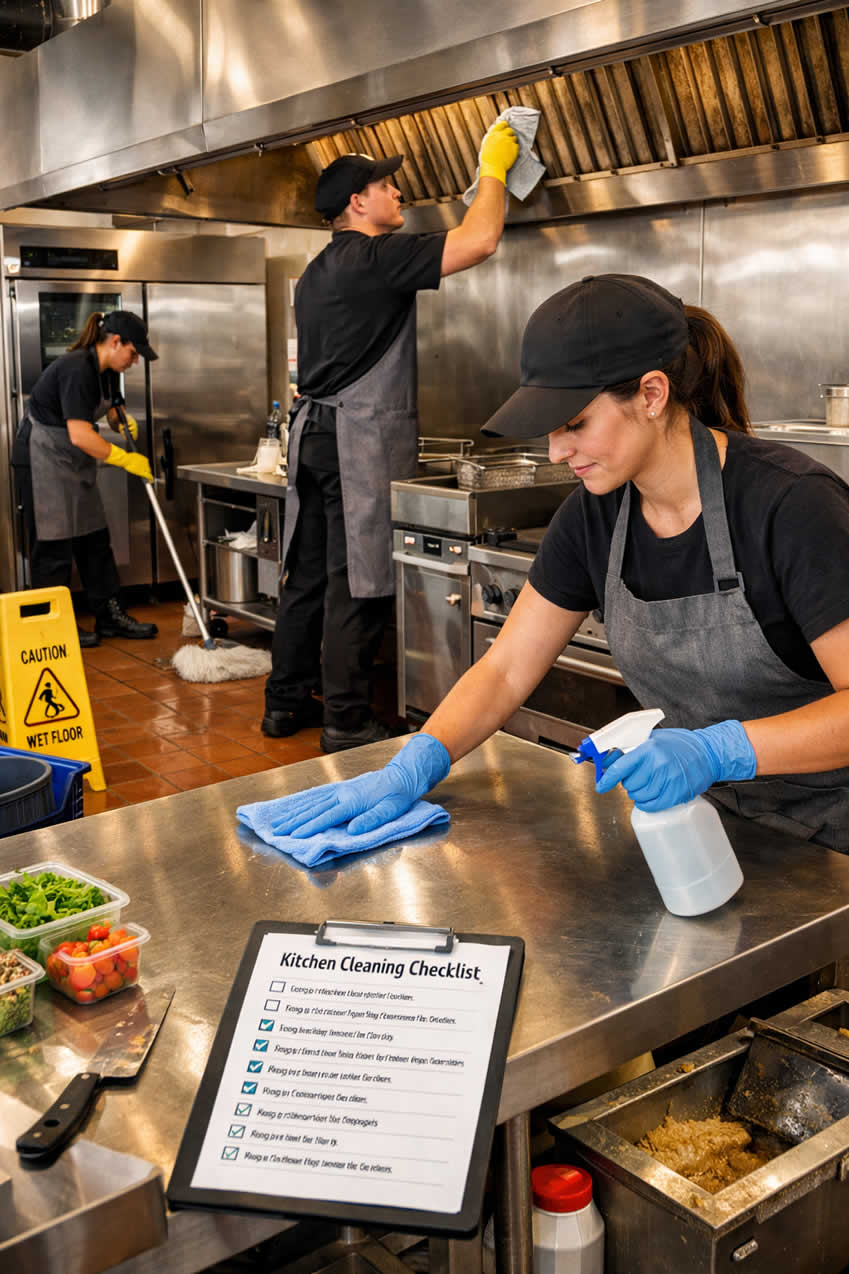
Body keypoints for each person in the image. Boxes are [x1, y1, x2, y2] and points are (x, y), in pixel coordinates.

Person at [269, 274, 849, 853]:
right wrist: (417, 760)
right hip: (708, 830)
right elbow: (506, 670)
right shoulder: (595, 517)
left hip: (832, 838)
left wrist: (717, 751)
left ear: (652, 394)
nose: (556, 451)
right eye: (551, 428)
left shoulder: (791, 506)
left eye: (575, 424)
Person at [263, 125, 521, 752]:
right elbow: (479, 239)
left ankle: (284, 704)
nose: (398, 191)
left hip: (315, 435)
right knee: (358, 577)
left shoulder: (317, 271)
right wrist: (493, 169)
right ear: (358, 202)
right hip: (356, 440)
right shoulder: (374, 260)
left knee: (307, 576)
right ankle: (347, 722)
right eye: (386, 184)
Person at [12, 310, 159, 647]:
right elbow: (79, 434)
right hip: (43, 458)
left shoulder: (107, 370)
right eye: (133, 354)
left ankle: (110, 617)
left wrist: (121, 423)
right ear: (115, 341)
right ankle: (52, 626)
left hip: (72, 459)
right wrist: (125, 459)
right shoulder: (77, 368)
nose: (134, 361)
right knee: (53, 547)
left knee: (95, 539)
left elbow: (109, 411)